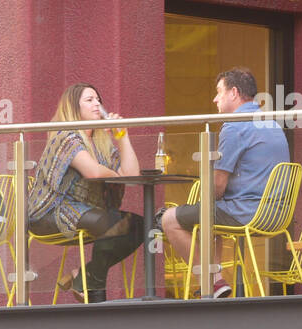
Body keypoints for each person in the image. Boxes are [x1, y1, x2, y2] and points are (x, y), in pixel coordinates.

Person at [161, 68, 288, 298]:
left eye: (219, 92)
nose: (215, 98)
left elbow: (218, 185)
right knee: (209, 216)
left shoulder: (234, 126)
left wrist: (194, 206)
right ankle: (216, 282)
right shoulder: (273, 125)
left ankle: (213, 282)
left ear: (234, 93)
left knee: (170, 219)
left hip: (248, 212)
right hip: (276, 213)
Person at [28, 84, 145, 303]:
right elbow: (93, 172)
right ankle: (95, 293)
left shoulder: (100, 143)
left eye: (98, 99)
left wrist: (123, 136)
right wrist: (117, 175)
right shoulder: (66, 136)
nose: (97, 104)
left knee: (140, 225)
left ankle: (85, 277)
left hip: (88, 212)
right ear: (74, 107)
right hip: (51, 211)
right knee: (114, 223)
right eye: (89, 100)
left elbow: (132, 175)